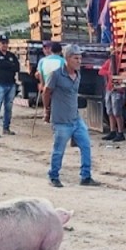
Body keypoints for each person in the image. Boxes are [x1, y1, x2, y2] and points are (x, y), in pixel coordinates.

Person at [43, 44, 100, 188]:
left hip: (75, 118)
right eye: (76, 58)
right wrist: (47, 110)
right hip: (61, 120)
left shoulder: (77, 75)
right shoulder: (56, 75)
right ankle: (53, 176)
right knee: (59, 149)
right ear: (67, 58)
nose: (79, 61)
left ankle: (86, 176)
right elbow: (46, 92)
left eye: (80, 58)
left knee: (86, 145)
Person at [0, 33, 20, 138]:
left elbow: (17, 67)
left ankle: (6, 128)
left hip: (11, 84)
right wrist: (9, 65)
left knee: (8, 108)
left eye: (6, 43)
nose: (4, 45)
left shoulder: (11, 55)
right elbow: (0, 64)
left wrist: (7, 65)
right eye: (2, 43)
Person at [99, 56, 126, 142]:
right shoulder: (110, 61)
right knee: (110, 111)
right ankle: (113, 131)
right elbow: (101, 71)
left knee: (117, 112)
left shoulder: (121, 61)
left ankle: (120, 132)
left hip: (117, 89)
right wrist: (109, 72)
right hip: (110, 88)